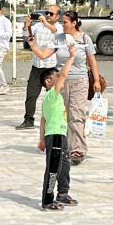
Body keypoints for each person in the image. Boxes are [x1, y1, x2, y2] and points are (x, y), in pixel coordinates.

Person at [29, 11, 101, 165]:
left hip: (80, 81)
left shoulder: (84, 38)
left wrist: (96, 81)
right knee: (64, 115)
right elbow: (43, 55)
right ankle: (66, 147)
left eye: (66, 22)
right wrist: (33, 46)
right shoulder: (58, 38)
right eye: (62, 22)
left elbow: (92, 61)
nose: (63, 25)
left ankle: (78, 149)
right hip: (61, 82)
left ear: (74, 23)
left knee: (77, 115)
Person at [36, 43, 78, 211]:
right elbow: (64, 74)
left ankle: (63, 193)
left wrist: (40, 139)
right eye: (56, 77)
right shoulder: (52, 95)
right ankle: (47, 200)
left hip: (59, 134)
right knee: (53, 169)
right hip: (54, 135)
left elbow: (43, 120)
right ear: (48, 81)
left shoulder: (53, 98)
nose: (61, 78)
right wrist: (72, 56)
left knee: (64, 165)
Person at [17, 6, 60, 130]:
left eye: (51, 14)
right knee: (31, 94)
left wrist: (45, 23)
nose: (48, 15)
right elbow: (26, 35)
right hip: (37, 65)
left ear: (57, 16)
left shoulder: (59, 27)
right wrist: (27, 25)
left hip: (51, 67)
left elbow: (56, 31)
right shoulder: (38, 26)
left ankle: (52, 120)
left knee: (52, 96)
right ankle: (28, 120)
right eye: (47, 13)